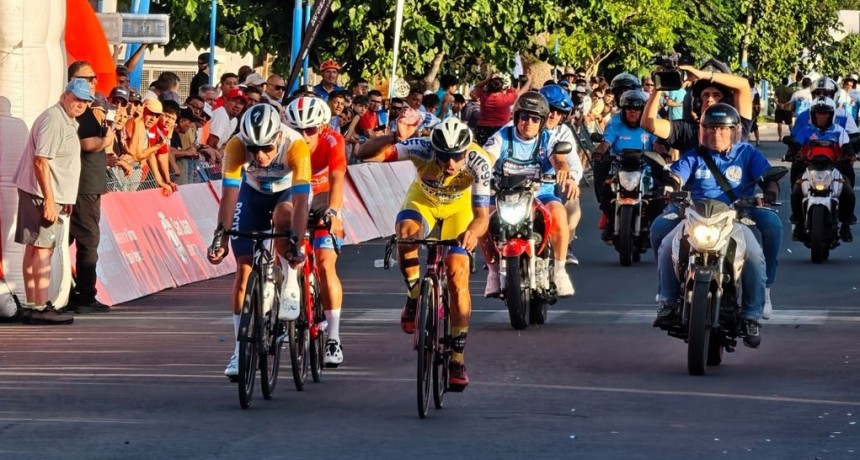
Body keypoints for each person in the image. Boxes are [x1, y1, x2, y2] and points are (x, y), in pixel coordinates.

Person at [355, 114, 493, 391]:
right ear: (435, 149)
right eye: (444, 156)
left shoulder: (479, 162)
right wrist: (395, 137)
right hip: (424, 203)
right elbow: (364, 154)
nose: (451, 163)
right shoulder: (421, 147)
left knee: (457, 272)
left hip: (459, 212)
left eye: (457, 156)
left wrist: (472, 233)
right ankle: (415, 296)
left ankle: (457, 358)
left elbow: (481, 216)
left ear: (467, 150)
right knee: (406, 232)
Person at [651, 104, 770, 348]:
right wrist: (671, 186)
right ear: (702, 130)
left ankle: (751, 316)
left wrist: (768, 190)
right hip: (696, 217)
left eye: (723, 129)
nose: (717, 134)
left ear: (734, 130)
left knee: (755, 257)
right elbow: (676, 175)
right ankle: (668, 302)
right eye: (711, 128)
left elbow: (767, 177)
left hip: (735, 219)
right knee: (665, 247)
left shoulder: (747, 154)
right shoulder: (694, 156)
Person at [207, 104, 311, 377]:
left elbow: (302, 202)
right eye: (253, 149)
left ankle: (289, 282)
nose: (259, 155)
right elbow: (229, 195)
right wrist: (220, 236)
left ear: (278, 137)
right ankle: (240, 351)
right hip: (252, 194)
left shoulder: (296, 145)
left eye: (266, 148)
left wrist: (297, 244)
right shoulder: (235, 145)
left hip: (286, 194)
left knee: (284, 215)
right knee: (242, 272)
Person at [481, 91, 576, 298]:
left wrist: (562, 169)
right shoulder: (501, 136)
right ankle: (494, 272)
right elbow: (487, 158)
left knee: (559, 213)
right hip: (503, 196)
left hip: (541, 196)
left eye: (535, 119)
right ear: (516, 117)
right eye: (524, 116)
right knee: (481, 218)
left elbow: (559, 158)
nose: (528, 123)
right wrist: (479, 171)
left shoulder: (548, 140)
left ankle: (559, 271)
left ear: (541, 122)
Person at [12, 79, 92, 324]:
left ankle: (34, 305)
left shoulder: (63, 119)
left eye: (85, 101)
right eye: (77, 99)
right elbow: (41, 161)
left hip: (45, 194)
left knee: (34, 249)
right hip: (43, 195)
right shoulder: (54, 120)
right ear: (64, 96)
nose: (80, 105)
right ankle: (40, 306)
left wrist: (62, 197)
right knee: (42, 251)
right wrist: (49, 199)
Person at [284, 96, 348, 367]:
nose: (304, 135)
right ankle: (285, 289)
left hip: (322, 195)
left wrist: (333, 212)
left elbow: (336, 178)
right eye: (298, 130)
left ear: (321, 127)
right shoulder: (284, 139)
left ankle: (333, 336)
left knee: (324, 262)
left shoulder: (333, 140)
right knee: (281, 237)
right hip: (292, 190)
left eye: (310, 129)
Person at [68, 61, 115, 313]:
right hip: (82, 187)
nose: (94, 82)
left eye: (94, 78)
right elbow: (87, 145)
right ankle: (84, 295)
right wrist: (107, 137)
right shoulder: (82, 114)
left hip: (89, 185)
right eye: (88, 78)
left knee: (74, 239)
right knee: (88, 240)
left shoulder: (90, 111)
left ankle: (71, 290)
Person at [591, 90, 660, 242]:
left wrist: (664, 153)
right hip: (620, 169)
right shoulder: (616, 127)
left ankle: (655, 226)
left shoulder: (649, 126)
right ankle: (609, 221)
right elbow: (605, 143)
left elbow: (657, 144)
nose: (633, 112)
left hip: (645, 170)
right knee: (606, 190)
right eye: (629, 108)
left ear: (643, 111)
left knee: (659, 194)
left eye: (637, 109)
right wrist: (598, 153)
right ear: (623, 110)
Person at [788, 97, 856, 243]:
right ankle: (798, 224)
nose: (821, 116)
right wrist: (791, 152)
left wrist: (850, 153)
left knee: (848, 192)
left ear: (831, 115)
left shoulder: (839, 131)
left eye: (825, 113)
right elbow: (796, 144)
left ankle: (845, 226)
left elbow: (847, 146)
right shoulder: (806, 130)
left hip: (833, 169)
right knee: (796, 192)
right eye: (818, 113)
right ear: (813, 115)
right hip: (810, 168)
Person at [538, 84, 583, 265]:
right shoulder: (516, 126)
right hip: (518, 187)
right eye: (549, 109)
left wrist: (570, 179)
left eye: (558, 112)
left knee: (571, 203)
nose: (553, 115)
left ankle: (565, 248)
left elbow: (570, 163)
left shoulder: (562, 133)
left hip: (549, 187)